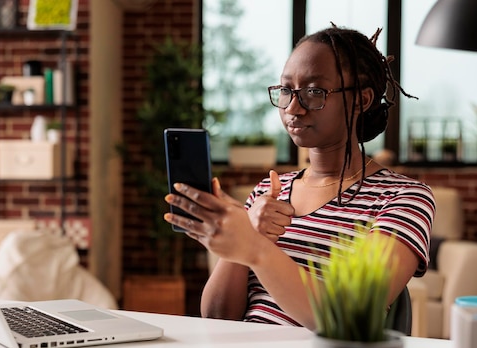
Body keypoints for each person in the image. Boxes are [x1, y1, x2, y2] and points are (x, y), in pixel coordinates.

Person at [163, 24, 435, 330]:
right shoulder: (270, 190)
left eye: (314, 92)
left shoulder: (403, 198)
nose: (293, 107)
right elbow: (216, 316)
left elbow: (350, 318)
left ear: (361, 100)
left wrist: (256, 248)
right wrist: (245, 238)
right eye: (286, 90)